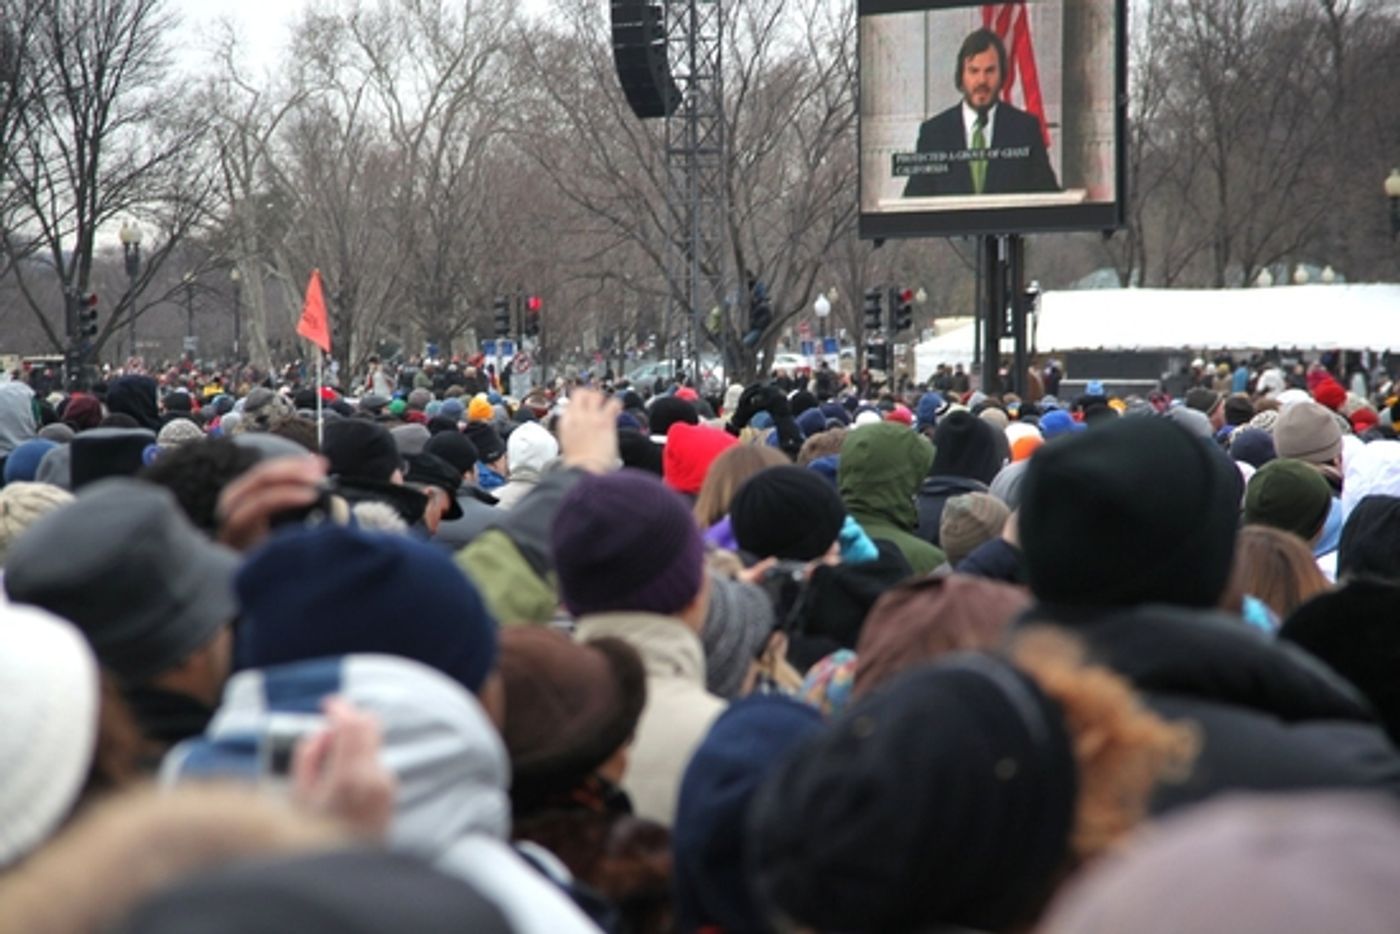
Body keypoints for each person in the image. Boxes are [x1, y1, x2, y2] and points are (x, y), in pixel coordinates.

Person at [902, 28, 1059, 198]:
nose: (982, 80)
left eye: (990, 71)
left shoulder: (1025, 129)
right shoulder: (933, 133)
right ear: (961, 76)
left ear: (1002, 75)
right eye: (974, 71)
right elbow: (914, 201)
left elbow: (1048, 197)